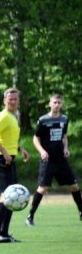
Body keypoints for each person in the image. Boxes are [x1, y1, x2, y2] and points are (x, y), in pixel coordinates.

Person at [26, 94, 82, 226]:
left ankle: (81, 211)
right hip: (48, 160)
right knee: (42, 188)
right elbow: (36, 138)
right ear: (50, 104)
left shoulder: (64, 119)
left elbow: (64, 136)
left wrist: (66, 148)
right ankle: (30, 216)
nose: (57, 105)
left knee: (74, 186)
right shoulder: (43, 120)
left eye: (59, 103)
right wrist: (42, 151)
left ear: (61, 105)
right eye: (54, 102)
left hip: (61, 159)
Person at [0, 88, 30, 243]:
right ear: (4, 101)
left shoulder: (13, 116)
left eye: (15, 99)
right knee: (6, 197)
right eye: (10, 99)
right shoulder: (4, 116)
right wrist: (4, 152)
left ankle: (4, 234)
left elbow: (8, 138)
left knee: (12, 198)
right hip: (0, 161)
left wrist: (19, 149)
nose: (13, 101)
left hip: (9, 160)